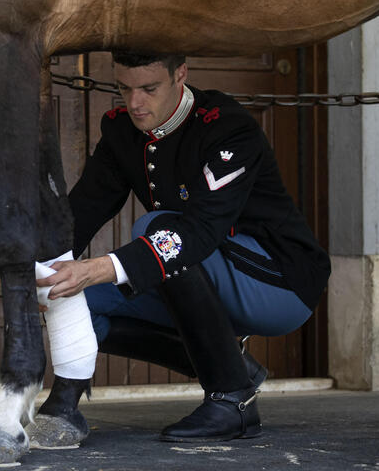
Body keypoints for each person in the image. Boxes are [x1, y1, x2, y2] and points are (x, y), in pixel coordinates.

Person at [34, 51, 330, 442]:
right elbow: (82, 213)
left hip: (279, 282)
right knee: (79, 301)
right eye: (125, 88)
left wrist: (97, 269)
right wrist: (40, 270)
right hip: (201, 273)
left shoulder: (226, 126)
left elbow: (199, 232)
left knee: (157, 226)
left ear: (181, 75)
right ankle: (64, 408)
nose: (135, 103)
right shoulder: (123, 131)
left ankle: (233, 401)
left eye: (149, 89)